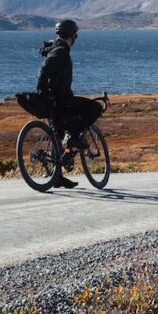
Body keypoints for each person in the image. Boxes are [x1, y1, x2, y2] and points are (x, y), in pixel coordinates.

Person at [36, 19, 103, 188]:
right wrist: (41, 89)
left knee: (57, 135)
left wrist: (44, 92)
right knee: (95, 108)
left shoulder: (54, 47)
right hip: (61, 100)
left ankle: (57, 177)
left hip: (52, 100)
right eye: (75, 36)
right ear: (73, 36)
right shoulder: (61, 50)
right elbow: (46, 68)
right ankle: (73, 138)